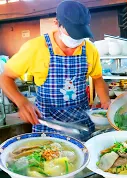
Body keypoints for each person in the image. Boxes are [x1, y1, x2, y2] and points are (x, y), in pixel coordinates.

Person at [0, 1, 110, 134]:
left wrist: (105, 101)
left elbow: (97, 78)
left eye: (80, 34)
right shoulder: (36, 48)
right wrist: (21, 102)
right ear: (57, 24)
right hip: (48, 124)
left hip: (81, 125)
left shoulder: (90, 49)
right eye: (72, 33)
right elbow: (5, 77)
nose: (76, 40)